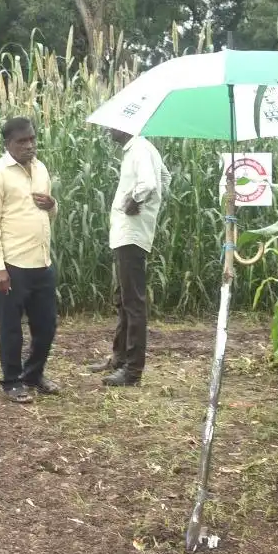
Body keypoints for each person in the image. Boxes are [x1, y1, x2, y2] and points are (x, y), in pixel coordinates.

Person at [0, 116, 59, 404]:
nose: (29, 145)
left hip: (42, 262)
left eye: (32, 139)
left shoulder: (41, 169)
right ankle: (12, 381)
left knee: (46, 326)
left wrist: (53, 205)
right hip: (13, 265)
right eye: (22, 141)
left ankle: (34, 375)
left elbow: (48, 213)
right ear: (8, 144)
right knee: (11, 328)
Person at [98, 129, 170, 387]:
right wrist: (151, 207)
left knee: (133, 302)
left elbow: (150, 184)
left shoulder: (139, 148)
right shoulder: (141, 149)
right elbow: (165, 177)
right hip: (127, 232)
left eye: (112, 125)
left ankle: (132, 371)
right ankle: (119, 358)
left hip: (131, 233)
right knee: (123, 298)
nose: (108, 130)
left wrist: (137, 201)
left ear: (126, 126)